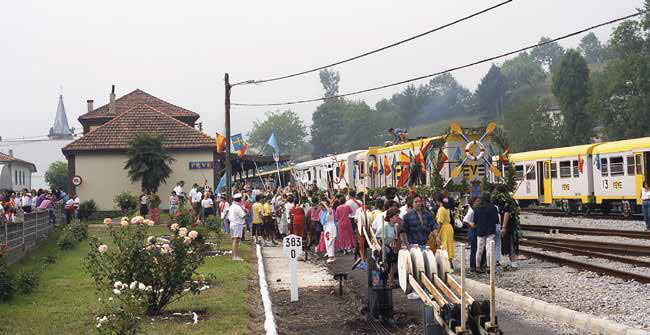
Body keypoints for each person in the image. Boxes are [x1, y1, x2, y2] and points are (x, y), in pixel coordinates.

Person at [492, 185, 520, 270]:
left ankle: (513, 264)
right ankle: (513, 263)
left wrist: (503, 227)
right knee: (512, 243)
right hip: (513, 224)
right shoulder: (512, 200)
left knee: (509, 244)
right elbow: (519, 210)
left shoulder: (504, 201)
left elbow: (506, 213)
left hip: (507, 225)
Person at [474, 193, 499, 273]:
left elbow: (475, 220)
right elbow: (496, 220)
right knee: (489, 249)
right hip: (490, 230)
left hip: (480, 230)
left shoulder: (477, 208)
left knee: (479, 249)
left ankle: (477, 267)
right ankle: (489, 267)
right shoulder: (493, 208)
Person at [464, 197, 486, 273]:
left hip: (477, 231)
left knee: (480, 248)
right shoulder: (471, 211)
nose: (478, 202)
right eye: (477, 201)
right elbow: (465, 220)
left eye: (479, 201)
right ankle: (472, 266)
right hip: (473, 231)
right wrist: (471, 225)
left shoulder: (478, 209)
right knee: (474, 249)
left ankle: (479, 265)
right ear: (473, 203)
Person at [435, 195, 455, 268]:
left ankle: (446, 263)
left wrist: (437, 232)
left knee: (444, 245)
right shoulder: (447, 208)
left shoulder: (441, 209)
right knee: (449, 245)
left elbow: (440, 222)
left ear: (438, 201)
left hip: (443, 228)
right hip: (449, 227)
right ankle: (450, 262)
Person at [228, 193, 246, 261]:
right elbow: (243, 215)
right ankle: (235, 256)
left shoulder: (232, 206)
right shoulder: (238, 207)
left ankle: (235, 255)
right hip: (237, 224)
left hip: (233, 224)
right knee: (236, 240)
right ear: (240, 200)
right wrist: (247, 213)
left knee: (234, 240)